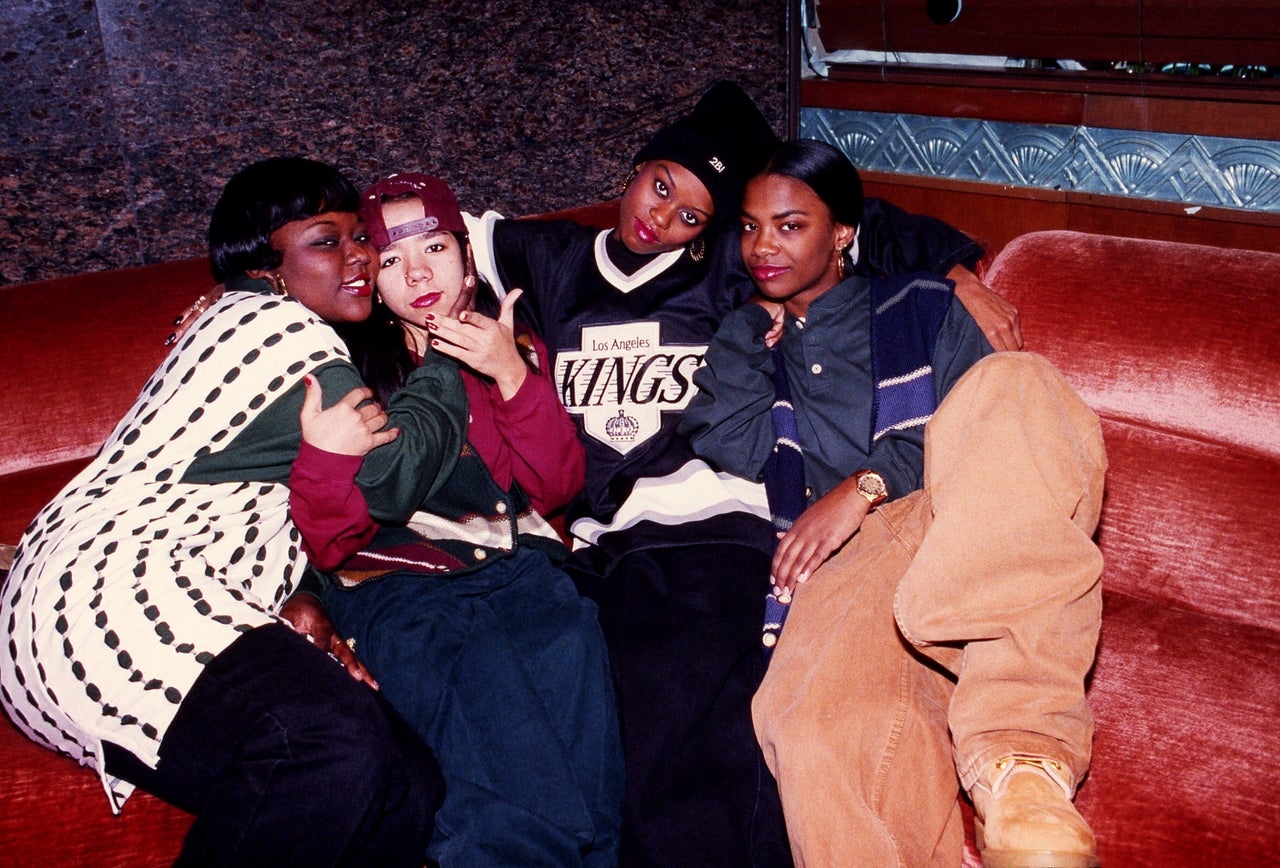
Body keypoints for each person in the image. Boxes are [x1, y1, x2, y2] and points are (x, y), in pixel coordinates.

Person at [464, 81, 1021, 866]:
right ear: (637, 166)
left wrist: (960, 272)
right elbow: (425, 236)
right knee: (580, 712)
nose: (660, 218)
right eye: (659, 186)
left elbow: (853, 223)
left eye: (691, 213)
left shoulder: (728, 264)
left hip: (722, 523)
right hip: (603, 540)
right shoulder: (555, 261)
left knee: (698, 718)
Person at [0, 157, 461, 866]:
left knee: (408, 785)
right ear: (265, 266)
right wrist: (447, 354)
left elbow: (264, 496)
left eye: (356, 237)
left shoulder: (248, 321)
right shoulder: (280, 332)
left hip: (118, 608)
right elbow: (392, 480)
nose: (360, 255)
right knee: (327, 738)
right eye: (324, 239)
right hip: (108, 594)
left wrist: (303, 595)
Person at [679, 139, 1106, 868]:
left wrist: (865, 485)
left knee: (1019, 383)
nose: (762, 246)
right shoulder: (756, 337)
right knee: (801, 725)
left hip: (959, 526)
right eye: (749, 227)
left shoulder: (924, 303)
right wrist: (748, 327)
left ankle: (1020, 770)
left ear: (843, 231)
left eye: (790, 225)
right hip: (852, 574)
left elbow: (995, 433)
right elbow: (732, 440)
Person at [288, 172, 623, 867]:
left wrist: (511, 378)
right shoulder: (341, 362)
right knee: (513, 819)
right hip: (404, 593)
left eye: (435, 247)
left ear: (467, 257)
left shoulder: (511, 343)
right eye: (389, 261)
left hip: (524, 580)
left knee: (595, 803)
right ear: (368, 281)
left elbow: (556, 487)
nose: (418, 273)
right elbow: (330, 536)